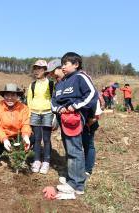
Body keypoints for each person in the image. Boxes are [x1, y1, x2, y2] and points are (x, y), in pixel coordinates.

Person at [51, 52, 98, 195]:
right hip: (62, 118)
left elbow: (91, 94)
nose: (63, 66)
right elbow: (53, 102)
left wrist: (75, 106)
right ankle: (74, 179)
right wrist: (59, 109)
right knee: (70, 150)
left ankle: (77, 184)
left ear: (76, 64)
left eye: (66, 64)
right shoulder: (60, 84)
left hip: (74, 119)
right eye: (62, 64)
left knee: (75, 150)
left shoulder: (80, 77)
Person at [0, 83, 32, 163]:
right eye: (7, 95)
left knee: (33, 135)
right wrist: (4, 139)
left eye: (13, 95)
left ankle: (22, 155)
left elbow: (26, 124)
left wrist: (25, 136)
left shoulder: (24, 108)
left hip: (17, 137)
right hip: (2, 137)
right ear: (3, 96)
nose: (10, 98)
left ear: (17, 96)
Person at [27, 59, 54, 174]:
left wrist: (54, 116)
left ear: (45, 70)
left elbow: (54, 99)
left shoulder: (51, 84)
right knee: (37, 139)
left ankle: (46, 161)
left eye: (39, 68)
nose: (36, 71)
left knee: (47, 139)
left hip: (47, 113)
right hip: (34, 113)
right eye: (35, 68)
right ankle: (37, 160)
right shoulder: (32, 85)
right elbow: (29, 100)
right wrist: (29, 115)